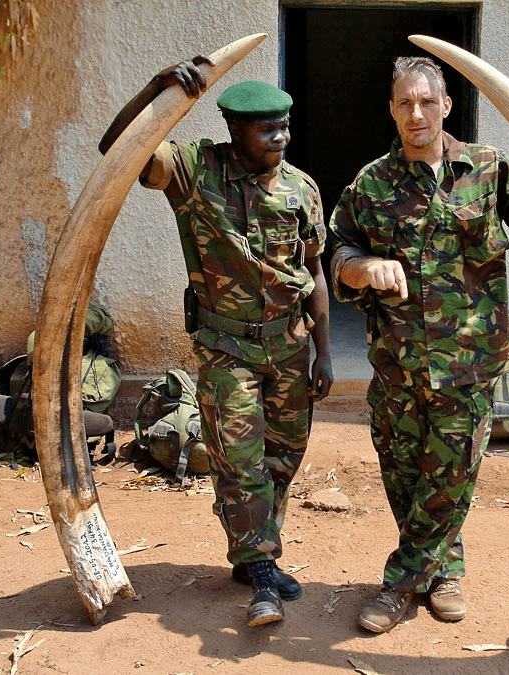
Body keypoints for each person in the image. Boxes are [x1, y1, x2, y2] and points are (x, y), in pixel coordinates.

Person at [329, 56, 509, 633]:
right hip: (396, 363)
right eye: (404, 103)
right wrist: (362, 268)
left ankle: (399, 585)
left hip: (468, 364)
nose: (416, 113)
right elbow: (335, 251)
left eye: (427, 101)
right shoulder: (371, 183)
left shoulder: (486, 170)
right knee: (407, 474)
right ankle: (445, 572)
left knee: (452, 473)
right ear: (392, 110)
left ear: (446, 105)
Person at [99, 57, 333, 626]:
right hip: (228, 351)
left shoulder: (302, 188)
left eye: (285, 126)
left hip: (290, 347)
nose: (280, 137)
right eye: (266, 128)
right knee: (239, 461)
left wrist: (324, 350)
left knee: (283, 456)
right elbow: (119, 149)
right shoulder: (194, 171)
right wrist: (157, 88)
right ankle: (260, 570)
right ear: (234, 129)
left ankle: (253, 547)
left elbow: (316, 272)